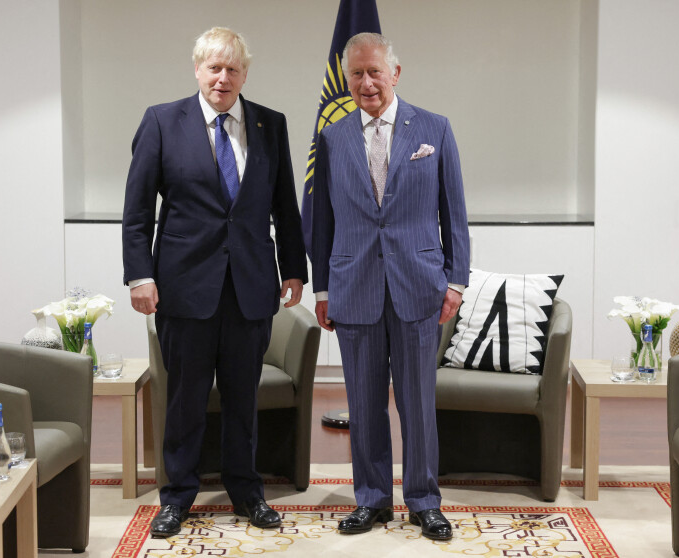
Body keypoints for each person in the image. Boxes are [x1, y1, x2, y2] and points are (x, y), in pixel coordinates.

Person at [122, 27, 307, 538]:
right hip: (184, 288)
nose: (223, 77)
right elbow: (138, 210)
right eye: (214, 67)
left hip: (251, 287)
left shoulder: (271, 124)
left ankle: (247, 491)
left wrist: (294, 267)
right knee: (185, 399)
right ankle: (177, 496)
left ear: (245, 74)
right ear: (197, 69)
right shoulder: (162, 122)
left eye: (233, 69)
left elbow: (284, 205)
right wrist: (139, 274)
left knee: (244, 398)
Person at [310, 32, 470, 541]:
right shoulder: (332, 139)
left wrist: (457, 281)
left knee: (418, 402)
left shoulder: (434, 129)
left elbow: (455, 214)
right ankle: (373, 499)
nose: (366, 83)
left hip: (419, 286)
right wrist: (321, 289)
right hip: (353, 285)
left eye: (374, 71)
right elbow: (321, 220)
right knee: (363, 402)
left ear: (395, 73)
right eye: (356, 74)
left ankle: (423, 500)